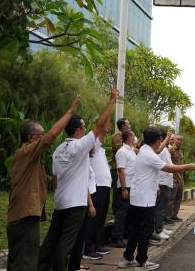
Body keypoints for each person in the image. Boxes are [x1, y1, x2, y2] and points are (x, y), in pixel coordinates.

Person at [38, 88, 118, 271]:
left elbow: (55, 180)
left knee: (52, 239)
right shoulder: (80, 147)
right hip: (75, 204)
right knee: (66, 243)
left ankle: (43, 267)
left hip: (60, 202)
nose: (85, 129)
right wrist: (112, 101)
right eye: (83, 127)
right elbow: (99, 126)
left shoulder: (58, 150)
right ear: (78, 130)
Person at [7, 95, 80, 271]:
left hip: (21, 217)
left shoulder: (25, 156)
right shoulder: (26, 152)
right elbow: (52, 135)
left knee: (18, 262)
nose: (44, 138)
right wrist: (70, 111)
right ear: (32, 138)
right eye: (40, 135)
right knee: (26, 263)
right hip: (24, 218)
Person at [117, 128, 195, 270]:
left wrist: (166, 137)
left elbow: (158, 150)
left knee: (135, 230)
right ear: (157, 140)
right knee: (145, 231)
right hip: (145, 199)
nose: (161, 143)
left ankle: (127, 258)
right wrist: (189, 166)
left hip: (137, 198)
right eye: (161, 140)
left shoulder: (144, 149)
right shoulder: (149, 155)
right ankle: (141, 262)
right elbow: (169, 168)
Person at [84, 123, 112, 258]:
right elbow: (100, 132)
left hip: (104, 187)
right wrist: (103, 127)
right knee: (94, 218)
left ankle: (97, 244)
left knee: (101, 218)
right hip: (96, 187)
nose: (104, 136)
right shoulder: (92, 147)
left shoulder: (100, 150)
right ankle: (89, 249)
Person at [111, 130, 137, 248]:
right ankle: (116, 238)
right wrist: (123, 188)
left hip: (132, 185)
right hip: (125, 185)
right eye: (133, 136)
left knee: (128, 212)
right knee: (121, 213)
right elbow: (121, 170)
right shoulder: (122, 152)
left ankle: (124, 235)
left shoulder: (131, 150)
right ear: (129, 138)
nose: (135, 138)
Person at [154, 129, 175, 240]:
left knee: (163, 207)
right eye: (169, 138)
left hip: (167, 182)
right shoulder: (160, 150)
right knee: (160, 208)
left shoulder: (166, 150)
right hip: (162, 182)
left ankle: (161, 227)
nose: (172, 140)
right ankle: (158, 229)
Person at [111, 118, 132, 214]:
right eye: (128, 123)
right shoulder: (116, 136)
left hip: (126, 168)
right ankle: (116, 210)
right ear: (123, 126)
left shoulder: (130, 136)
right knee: (118, 190)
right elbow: (119, 148)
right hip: (117, 167)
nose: (130, 125)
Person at [167, 134, 185, 222]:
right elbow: (168, 164)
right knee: (171, 198)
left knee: (178, 197)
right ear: (174, 140)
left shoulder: (181, 151)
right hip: (173, 177)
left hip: (181, 176)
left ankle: (174, 215)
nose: (179, 141)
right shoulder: (170, 150)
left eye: (181, 140)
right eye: (177, 139)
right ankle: (168, 217)